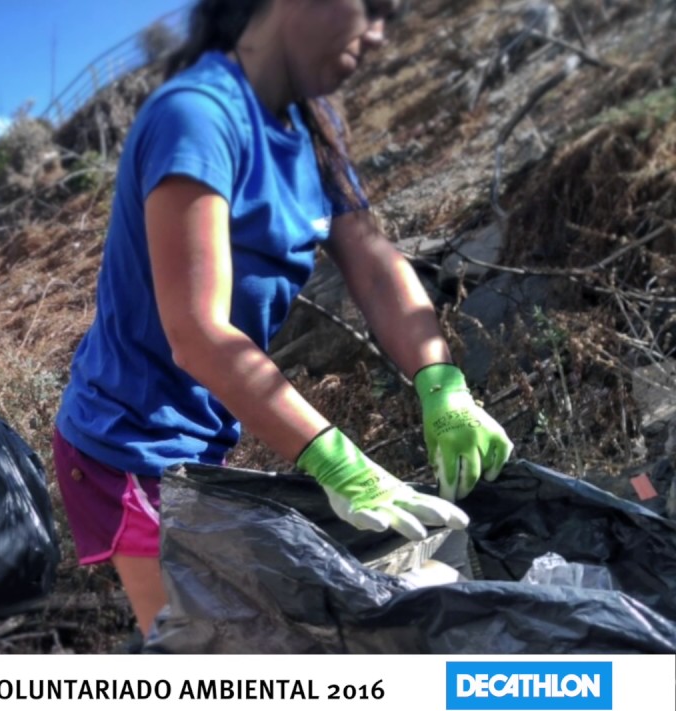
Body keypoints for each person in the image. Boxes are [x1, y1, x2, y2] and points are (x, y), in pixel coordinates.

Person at [52, 0, 514, 641]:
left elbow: (375, 265)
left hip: (205, 432)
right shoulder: (196, 118)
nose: (380, 36)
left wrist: (442, 385)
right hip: (126, 443)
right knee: (199, 649)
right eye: (372, 9)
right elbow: (196, 333)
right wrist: (338, 463)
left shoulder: (313, 125)